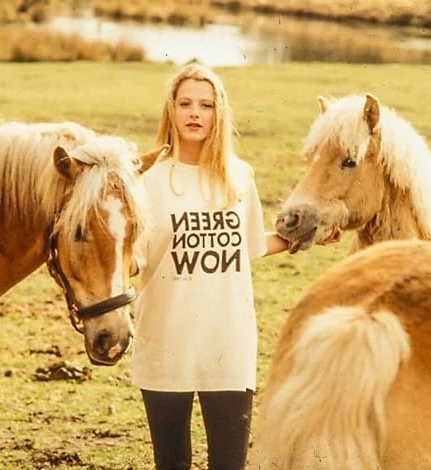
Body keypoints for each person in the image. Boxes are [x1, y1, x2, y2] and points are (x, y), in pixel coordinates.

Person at [129, 63, 295, 470]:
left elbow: (252, 245)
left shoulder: (239, 177)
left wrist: (302, 239)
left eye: (205, 105)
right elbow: (131, 260)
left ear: (219, 112)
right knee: (172, 463)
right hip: (166, 341)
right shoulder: (147, 180)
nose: (194, 113)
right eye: (185, 103)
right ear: (171, 109)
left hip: (228, 343)